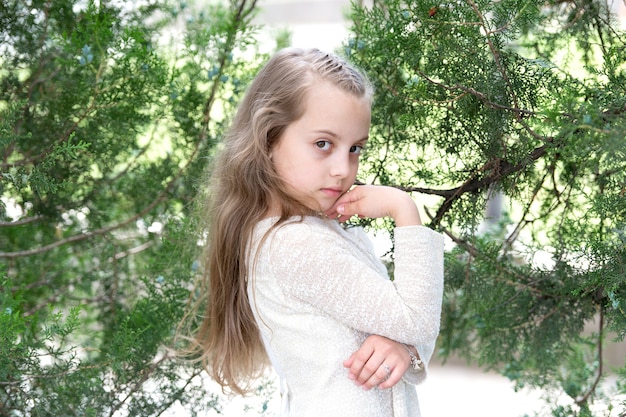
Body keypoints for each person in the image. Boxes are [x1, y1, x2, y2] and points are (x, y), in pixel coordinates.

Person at [191, 47, 444, 417]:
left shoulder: (314, 231)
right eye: (322, 144)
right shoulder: (293, 244)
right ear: (268, 139)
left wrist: (404, 348)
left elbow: (415, 321)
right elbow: (419, 319)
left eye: (355, 148)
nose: (343, 168)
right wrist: (404, 209)